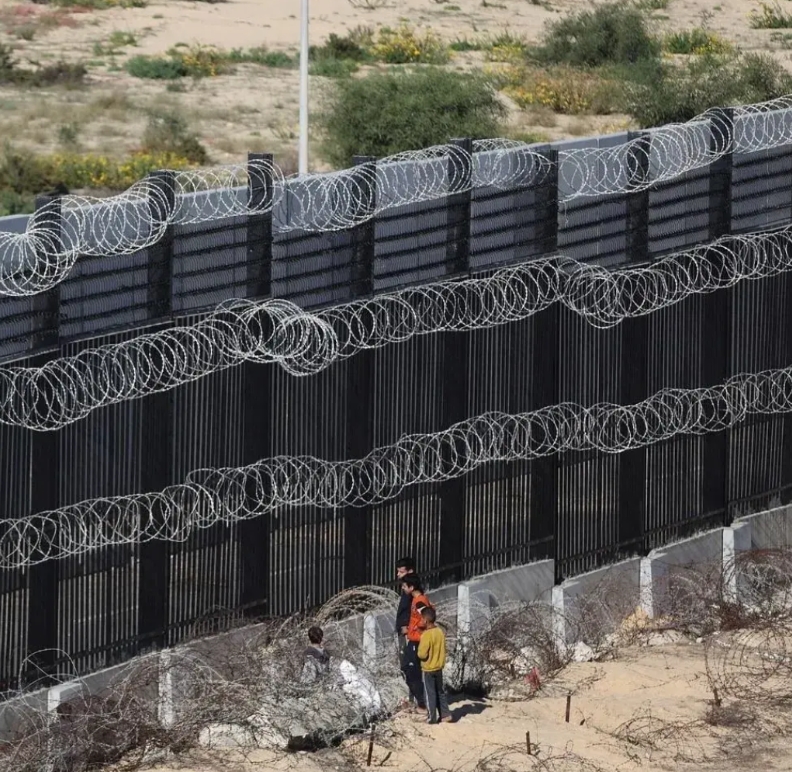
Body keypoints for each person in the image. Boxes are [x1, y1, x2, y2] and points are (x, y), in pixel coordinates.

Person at [401, 573, 432, 712]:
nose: (402, 588)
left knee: (411, 670)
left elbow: (427, 617)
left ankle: (421, 703)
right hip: (415, 639)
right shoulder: (418, 600)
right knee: (410, 669)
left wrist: (414, 628)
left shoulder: (419, 601)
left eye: (404, 586)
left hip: (417, 640)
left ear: (411, 587)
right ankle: (420, 701)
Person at [417, 606, 452, 724]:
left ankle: (431, 718)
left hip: (428, 669)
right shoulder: (439, 632)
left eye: (421, 619)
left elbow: (422, 654)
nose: (420, 621)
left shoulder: (426, 635)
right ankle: (445, 714)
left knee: (429, 693)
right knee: (440, 692)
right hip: (439, 667)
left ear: (425, 621)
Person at [395, 557, 416, 653]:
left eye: (401, 572)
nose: (398, 574)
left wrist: (405, 624)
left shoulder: (412, 590)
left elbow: (411, 608)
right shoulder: (406, 588)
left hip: (408, 631)